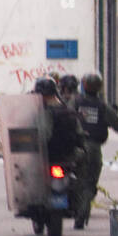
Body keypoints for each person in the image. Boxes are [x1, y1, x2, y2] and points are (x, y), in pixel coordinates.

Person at [36, 77, 88, 223]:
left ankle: (32, 202)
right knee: (82, 172)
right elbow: (80, 134)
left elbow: (43, 135)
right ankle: (79, 204)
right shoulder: (69, 111)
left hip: (47, 156)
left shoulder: (44, 113)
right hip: (68, 157)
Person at [72, 73, 118, 228]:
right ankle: (82, 213)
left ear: (84, 85)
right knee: (90, 183)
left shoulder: (75, 102)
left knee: (78, 181)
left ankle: (78, 211)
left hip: (75, 147)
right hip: (93, 149)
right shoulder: (102, 106)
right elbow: (116, 124)